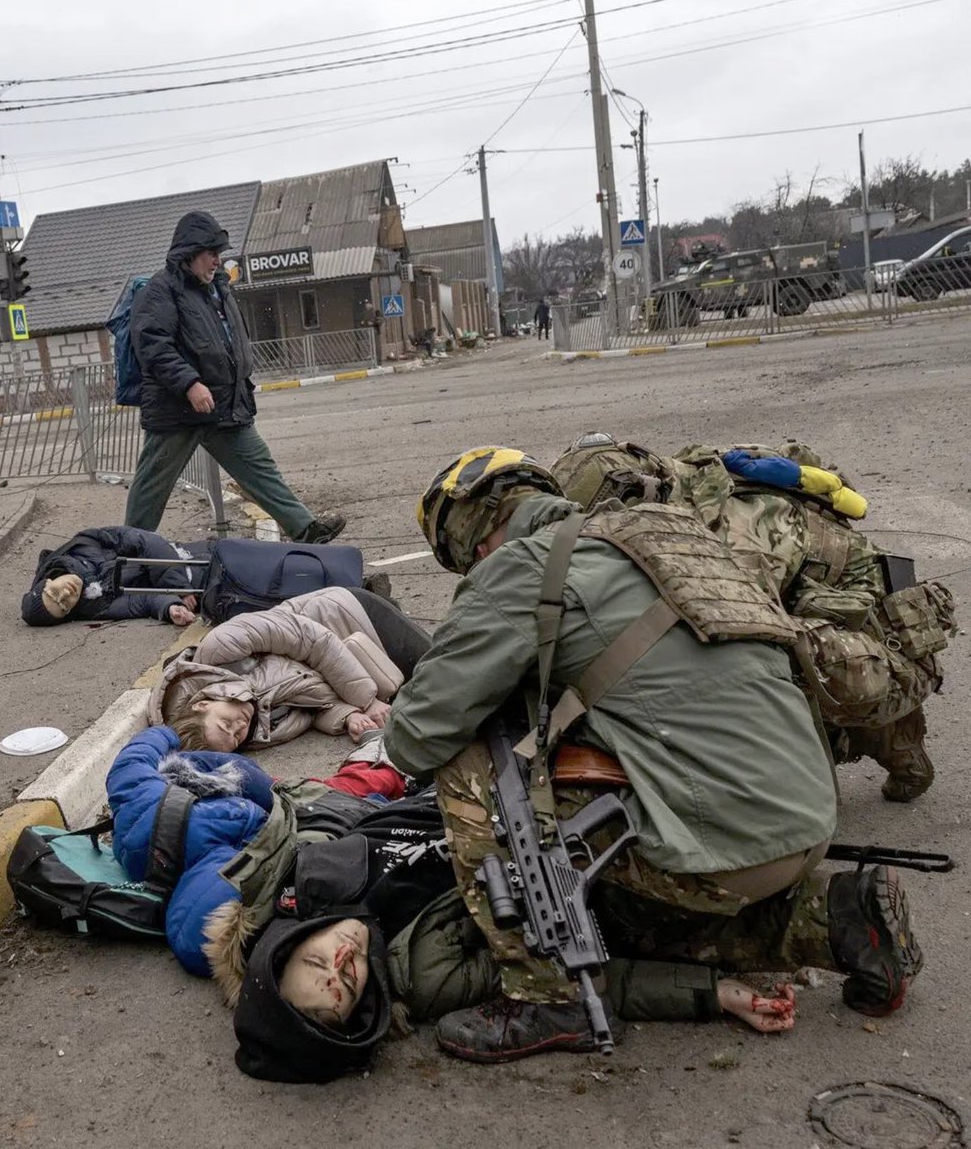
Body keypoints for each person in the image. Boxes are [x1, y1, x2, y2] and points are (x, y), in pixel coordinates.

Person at [382, 446, 922, 1063]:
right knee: (626, 915)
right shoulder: (675, 533)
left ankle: (550, 997)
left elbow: (413, 740)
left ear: (475, 541)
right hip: (807, 819)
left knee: (478, 763)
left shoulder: (520, 570)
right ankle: (838, 915)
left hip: (725, 847)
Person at [107, 728, 801, 1084]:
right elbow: (575, 977)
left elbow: (320, 806)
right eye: (346, 983)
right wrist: (718, 996)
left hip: (444, 779)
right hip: (540, 819)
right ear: (367, 1005)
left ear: (292, 939)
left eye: (321, 959)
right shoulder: (427, 976)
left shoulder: (293, 878)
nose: (345, 958)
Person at [551, 433, 955, 802]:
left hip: (883, 654)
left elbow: (741, 641)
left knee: (747, 665)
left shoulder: (735, 531)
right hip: (830, 618)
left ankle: (872, 744)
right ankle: (881, 741)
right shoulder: (687, 483)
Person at [124, 210, 344, 544]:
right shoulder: (160, 290)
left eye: (219, 253)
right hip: (179, 410)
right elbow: (152, 345)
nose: (217, 260)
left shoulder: (217, 288)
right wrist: (189, 384)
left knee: (259, 466)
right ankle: (127, 547)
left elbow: (226, 342)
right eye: (211, 253)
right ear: (189, 253)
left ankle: (304, 528)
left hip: (224, 405)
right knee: (153, 484)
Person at [149, 587, 406, 748]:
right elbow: (308, 707)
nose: (240, 726)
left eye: (226, 724)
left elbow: (313, 640)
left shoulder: (222, 647)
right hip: (374, 668)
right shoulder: (256, 733)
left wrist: (367, 701)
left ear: (201, 704)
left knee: (440, 677)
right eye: (236, 738)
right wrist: (348, 716)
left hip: (348, 617)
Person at [20, 525, 209, 627]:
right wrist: (170, 608)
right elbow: (142, 602)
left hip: (189, 558)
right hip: (205, 585)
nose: (65, 595)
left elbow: (140, 539)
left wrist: (178, 586)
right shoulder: (93, 606)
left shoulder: (82, 544)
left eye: (53, 594)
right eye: (63, 606)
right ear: (68, 614)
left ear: (47, 582)